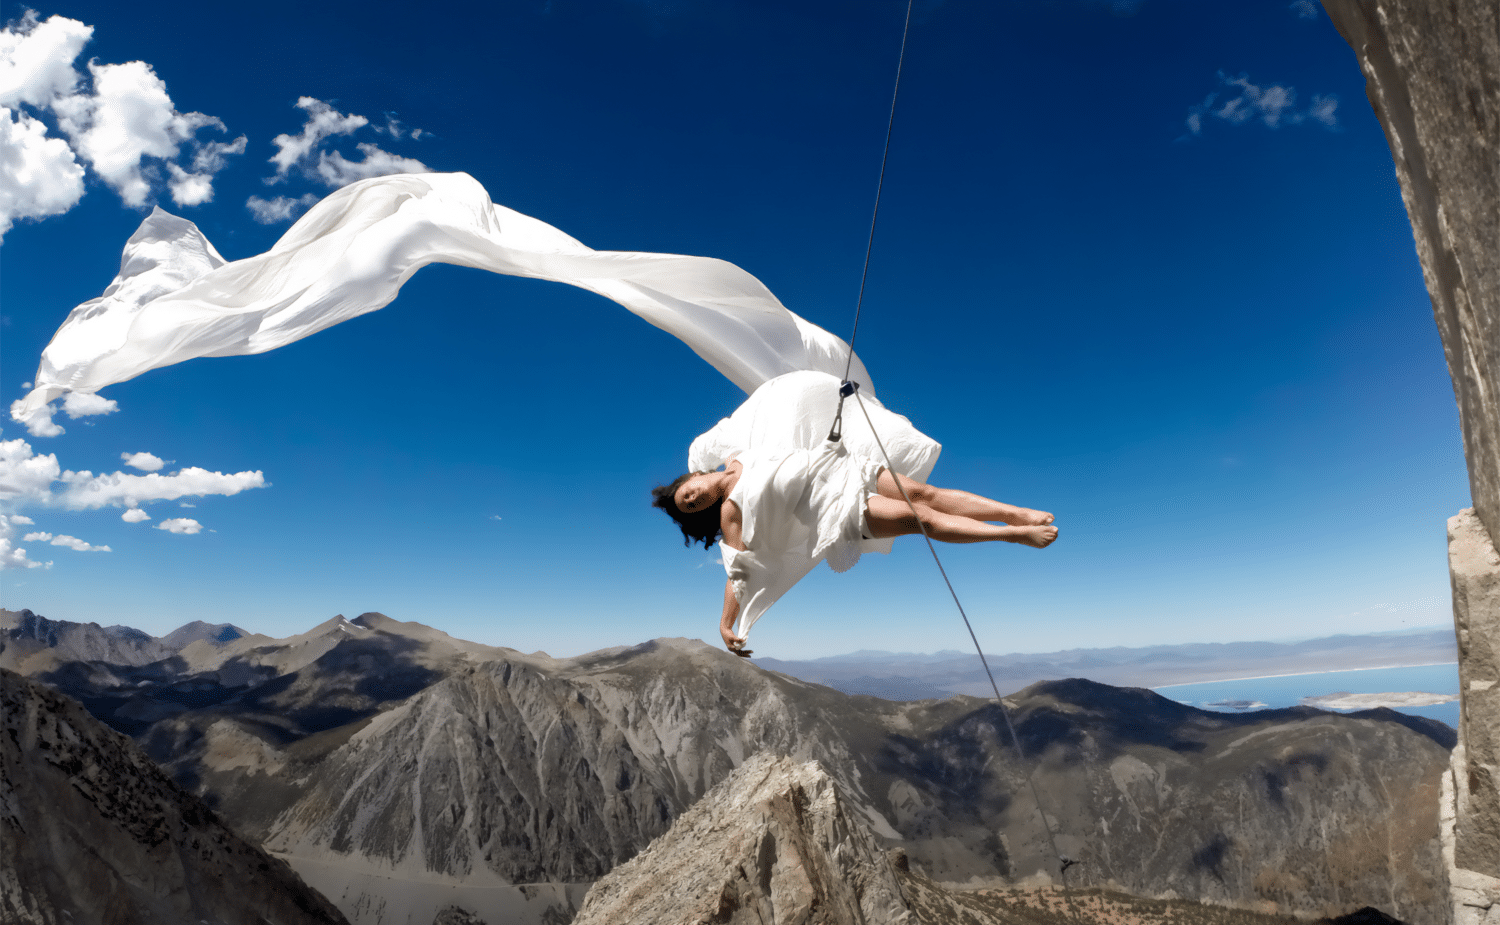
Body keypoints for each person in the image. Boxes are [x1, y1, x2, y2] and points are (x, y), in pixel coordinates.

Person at [652, 444, 1056, 658]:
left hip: (842, 469)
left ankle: (1014, 511)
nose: (693, 499)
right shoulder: (730, 514)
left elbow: (766, 403)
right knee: (922, 519)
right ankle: (1012, 535)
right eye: (690, 507)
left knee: (924, 493)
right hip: (834, 509)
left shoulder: (735, 454)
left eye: (688, 493)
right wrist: (726, 623)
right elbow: (737, 572)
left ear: (695, 475)